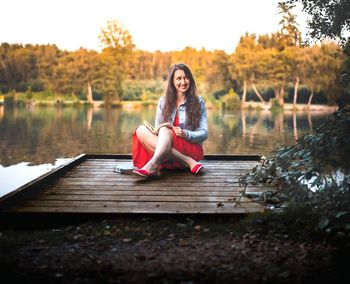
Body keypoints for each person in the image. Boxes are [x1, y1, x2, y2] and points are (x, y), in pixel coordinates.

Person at [132, 63, 208, 178]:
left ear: (190, 80)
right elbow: (158, 130)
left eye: (186, 78)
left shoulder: (199, 102)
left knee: (164, 129)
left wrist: (185, 134)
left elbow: (204, 133)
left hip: (190, 148)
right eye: (179, 78)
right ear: (172, 81)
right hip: (167, 146)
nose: (183, 82)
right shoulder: (163, 102)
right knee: (141, 130)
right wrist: (156, 130)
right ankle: (188, 161)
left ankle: (153, 164)